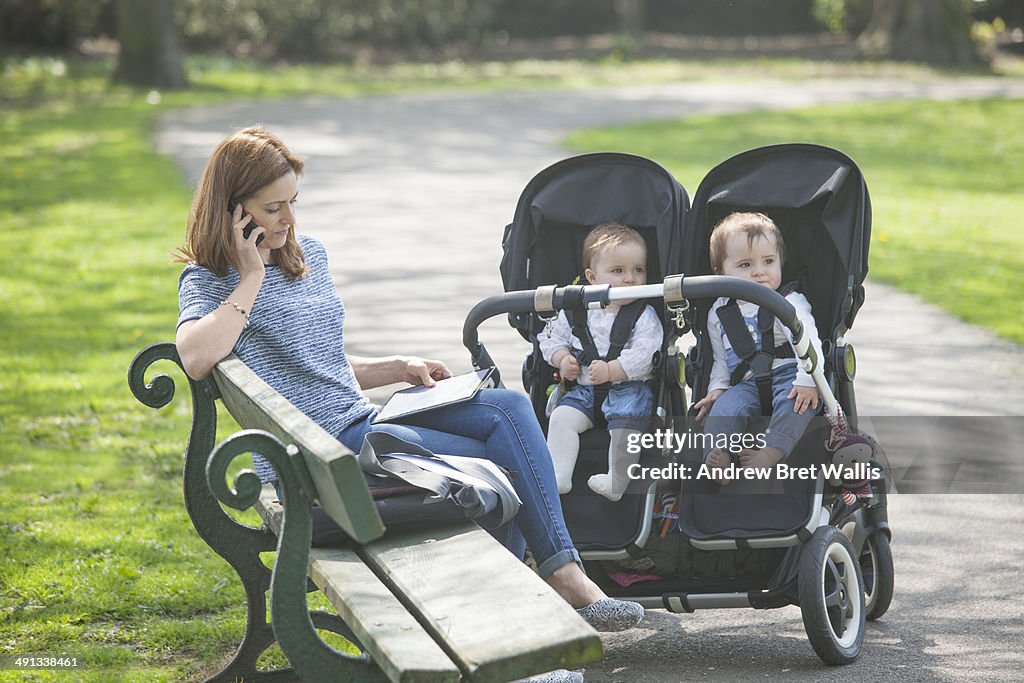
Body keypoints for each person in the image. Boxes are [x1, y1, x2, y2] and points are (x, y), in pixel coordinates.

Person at [172, 127, 644, 649]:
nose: (289, 219)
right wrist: (249, 276)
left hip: (361, 424)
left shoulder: (309, 256)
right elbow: (195, 357)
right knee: (500, 471)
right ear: (235, 213)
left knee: (507, 408)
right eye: (273, 207)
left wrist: (395, 366)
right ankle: (519, 639)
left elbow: (315, 360)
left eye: (293, 202)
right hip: (318, 456)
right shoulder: (212, 278)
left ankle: (559, 581)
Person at [693, 212, 822, 484]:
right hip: (747, 383)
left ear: (780, 262)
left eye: (768, 261)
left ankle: (770, 452)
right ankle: (720, 458)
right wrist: (717, 389)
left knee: (797, 405)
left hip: (789, 374)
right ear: (720, 272)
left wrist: (808, 379)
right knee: (722, 412)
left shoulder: (788, 301)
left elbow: (809, 340)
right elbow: (720, 360)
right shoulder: (719, 312)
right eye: (745, 264)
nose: (759, 271)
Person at [539, 223, 662, 502]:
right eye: (618, 271)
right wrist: (562, 358)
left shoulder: (644, 315)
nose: (631, 279)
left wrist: (613, 370)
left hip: (628, 386)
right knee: (561, 418)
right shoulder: (574, 313)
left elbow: (646, 352)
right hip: (583, 390)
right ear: (592, 278)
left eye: (638, 270)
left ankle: (617, 481)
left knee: (626, 424)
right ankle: (558, 474)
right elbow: (548, 338)